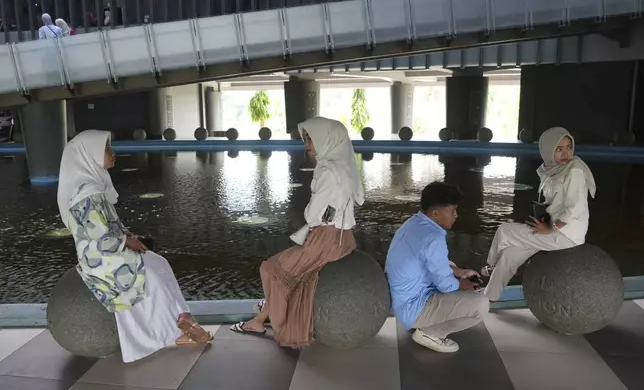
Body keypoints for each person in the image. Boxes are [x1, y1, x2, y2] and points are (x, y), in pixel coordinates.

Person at [57, 130, 212, 363]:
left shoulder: (94, 187)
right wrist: (127, 241)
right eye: (107, 148)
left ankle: (183, 316)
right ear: (89, 154)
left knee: (159, 262)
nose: (113, 152)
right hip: (100, 258)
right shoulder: (85, 194)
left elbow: (110, 226)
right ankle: (172, 331)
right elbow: (98, 238)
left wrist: (128, 237)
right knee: (149, 276)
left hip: (111, 250)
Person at [229, 117, 364, 348]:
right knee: (285, 272)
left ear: (327, 139)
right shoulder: (345, 168)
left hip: (324, 241)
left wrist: (313, 212)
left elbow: (312, 216)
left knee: (271, 269)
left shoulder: (328, 170)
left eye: (310, 138)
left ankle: (280, 325)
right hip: (343, 238)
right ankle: (259, 320)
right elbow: (354, 202)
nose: (306, 143)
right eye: (305, 138)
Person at [482, 127, 596, 301]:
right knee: (509, 255)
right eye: (559, 149)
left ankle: (489, 267)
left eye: (568, 147)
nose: (565, 153)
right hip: (554, 229)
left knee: (504, 230)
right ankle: (490, 297)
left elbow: (575, 208)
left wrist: (550, 229)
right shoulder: (551, 168)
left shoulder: (574, 170)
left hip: (565, 234)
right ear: (548, 150)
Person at [386, 181, 489, 353]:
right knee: (481, 304)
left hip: (404, 298)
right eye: (452, 211)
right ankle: (430, 334)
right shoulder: (433, 238)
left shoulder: (414, 223)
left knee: (452, 267)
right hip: (413, 308)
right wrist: (462, 285)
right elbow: (445, 285)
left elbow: (435, 264)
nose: (456, 215)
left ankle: (429, 323)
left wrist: (460, 272)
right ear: (435, 213)